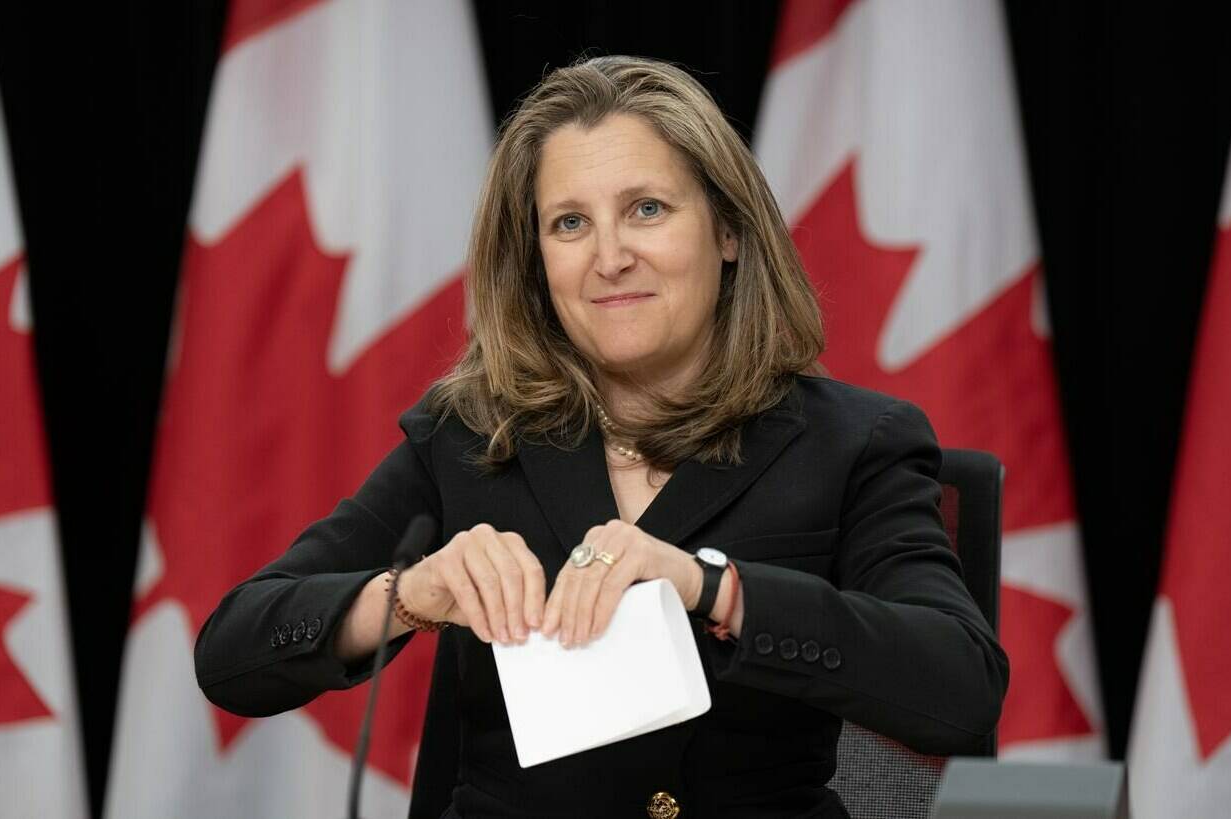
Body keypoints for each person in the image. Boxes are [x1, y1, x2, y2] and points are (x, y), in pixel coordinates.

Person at [194, 55, 1008, 819]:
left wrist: (711, 586)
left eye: (646, 210)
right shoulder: (473, 433)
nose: (610, 256)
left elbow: (959, 684)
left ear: (727, 232)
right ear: (537, 260)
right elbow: (233, 651)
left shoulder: (852, 441)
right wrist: (410, 595)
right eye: (571, 222)